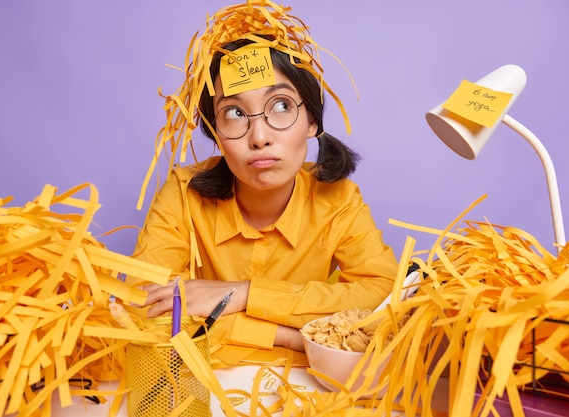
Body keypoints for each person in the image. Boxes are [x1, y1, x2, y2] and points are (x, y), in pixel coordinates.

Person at [130, 1, 398, 360]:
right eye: (235, 113)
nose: (259, 136)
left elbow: (384, 297)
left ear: (313, 122)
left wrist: (243, 294)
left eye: (282, 106)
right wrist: (286, 336)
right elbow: (149, 308)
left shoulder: (340, 200)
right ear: (215, 134)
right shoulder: (182, 192)